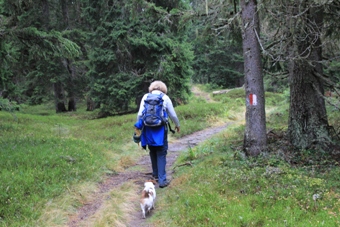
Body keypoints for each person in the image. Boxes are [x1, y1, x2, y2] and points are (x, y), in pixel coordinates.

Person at [134, 81, 180, 188]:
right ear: (163, 89)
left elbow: (140, 114)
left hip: (148, 129)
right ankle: (162, 180)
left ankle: (155, 176)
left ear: (151, 88)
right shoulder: (165, 97)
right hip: (160, 129)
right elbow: (172, 114)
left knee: (152, 151)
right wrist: (177, 125)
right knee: (161, 152)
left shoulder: (146, 96)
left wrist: (138, 127)